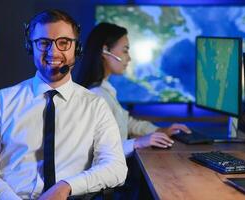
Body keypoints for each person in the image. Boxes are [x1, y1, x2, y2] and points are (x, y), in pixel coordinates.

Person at [0, 10, 127, 200]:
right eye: (44, 43)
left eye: (64, 43)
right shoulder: (0, 102)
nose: (54, 51)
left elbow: (115, 167)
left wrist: (66, 186)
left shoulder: (95, 105)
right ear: (30, 47)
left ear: (77, 48)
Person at [79, 22, 191, 157]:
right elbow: (99, 151)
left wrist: (161, 130)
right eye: (125, 50)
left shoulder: (105, 89)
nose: (129, 58)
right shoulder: (96, 95)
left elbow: (125, 122)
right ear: (105, 51)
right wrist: (138, 142)